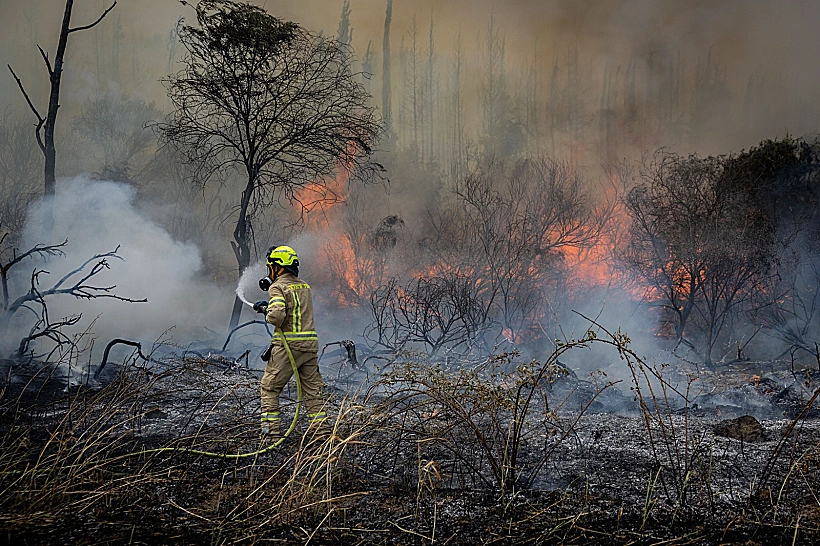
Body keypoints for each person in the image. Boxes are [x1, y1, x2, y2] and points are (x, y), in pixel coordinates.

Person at [253, 245, 327, 442]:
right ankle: (322, 435)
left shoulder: (277, 287)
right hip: (310, 347)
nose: (269, 271)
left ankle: (270, 436)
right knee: (313, 393)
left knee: (269, 388)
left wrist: (266, 311)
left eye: (271, 267)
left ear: (278, 267)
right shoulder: (304, 286)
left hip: (288, 348)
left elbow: (277, 317)